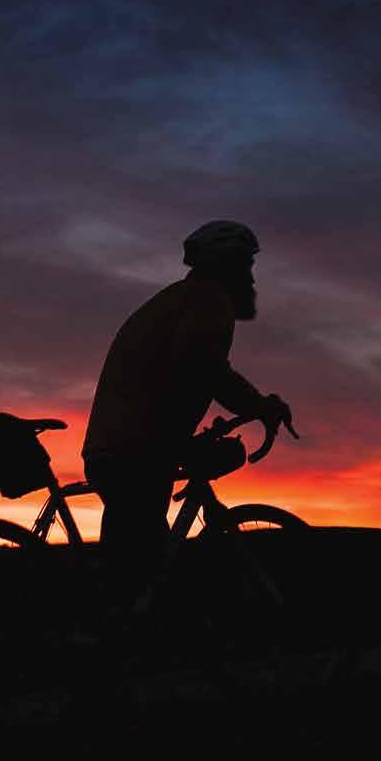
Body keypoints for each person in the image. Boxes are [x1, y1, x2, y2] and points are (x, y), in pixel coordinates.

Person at [82, 219, 293, 623]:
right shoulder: (208, 300)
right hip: (137, 449)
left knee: (141, 569)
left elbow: (182, 373)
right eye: (246, 265)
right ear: (226, 264)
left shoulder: (179, 299)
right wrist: (260, 406)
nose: (251, 278)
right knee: (138, 575)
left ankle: (115, 634)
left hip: (129, 444)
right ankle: (94, 637)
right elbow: (203, 367)